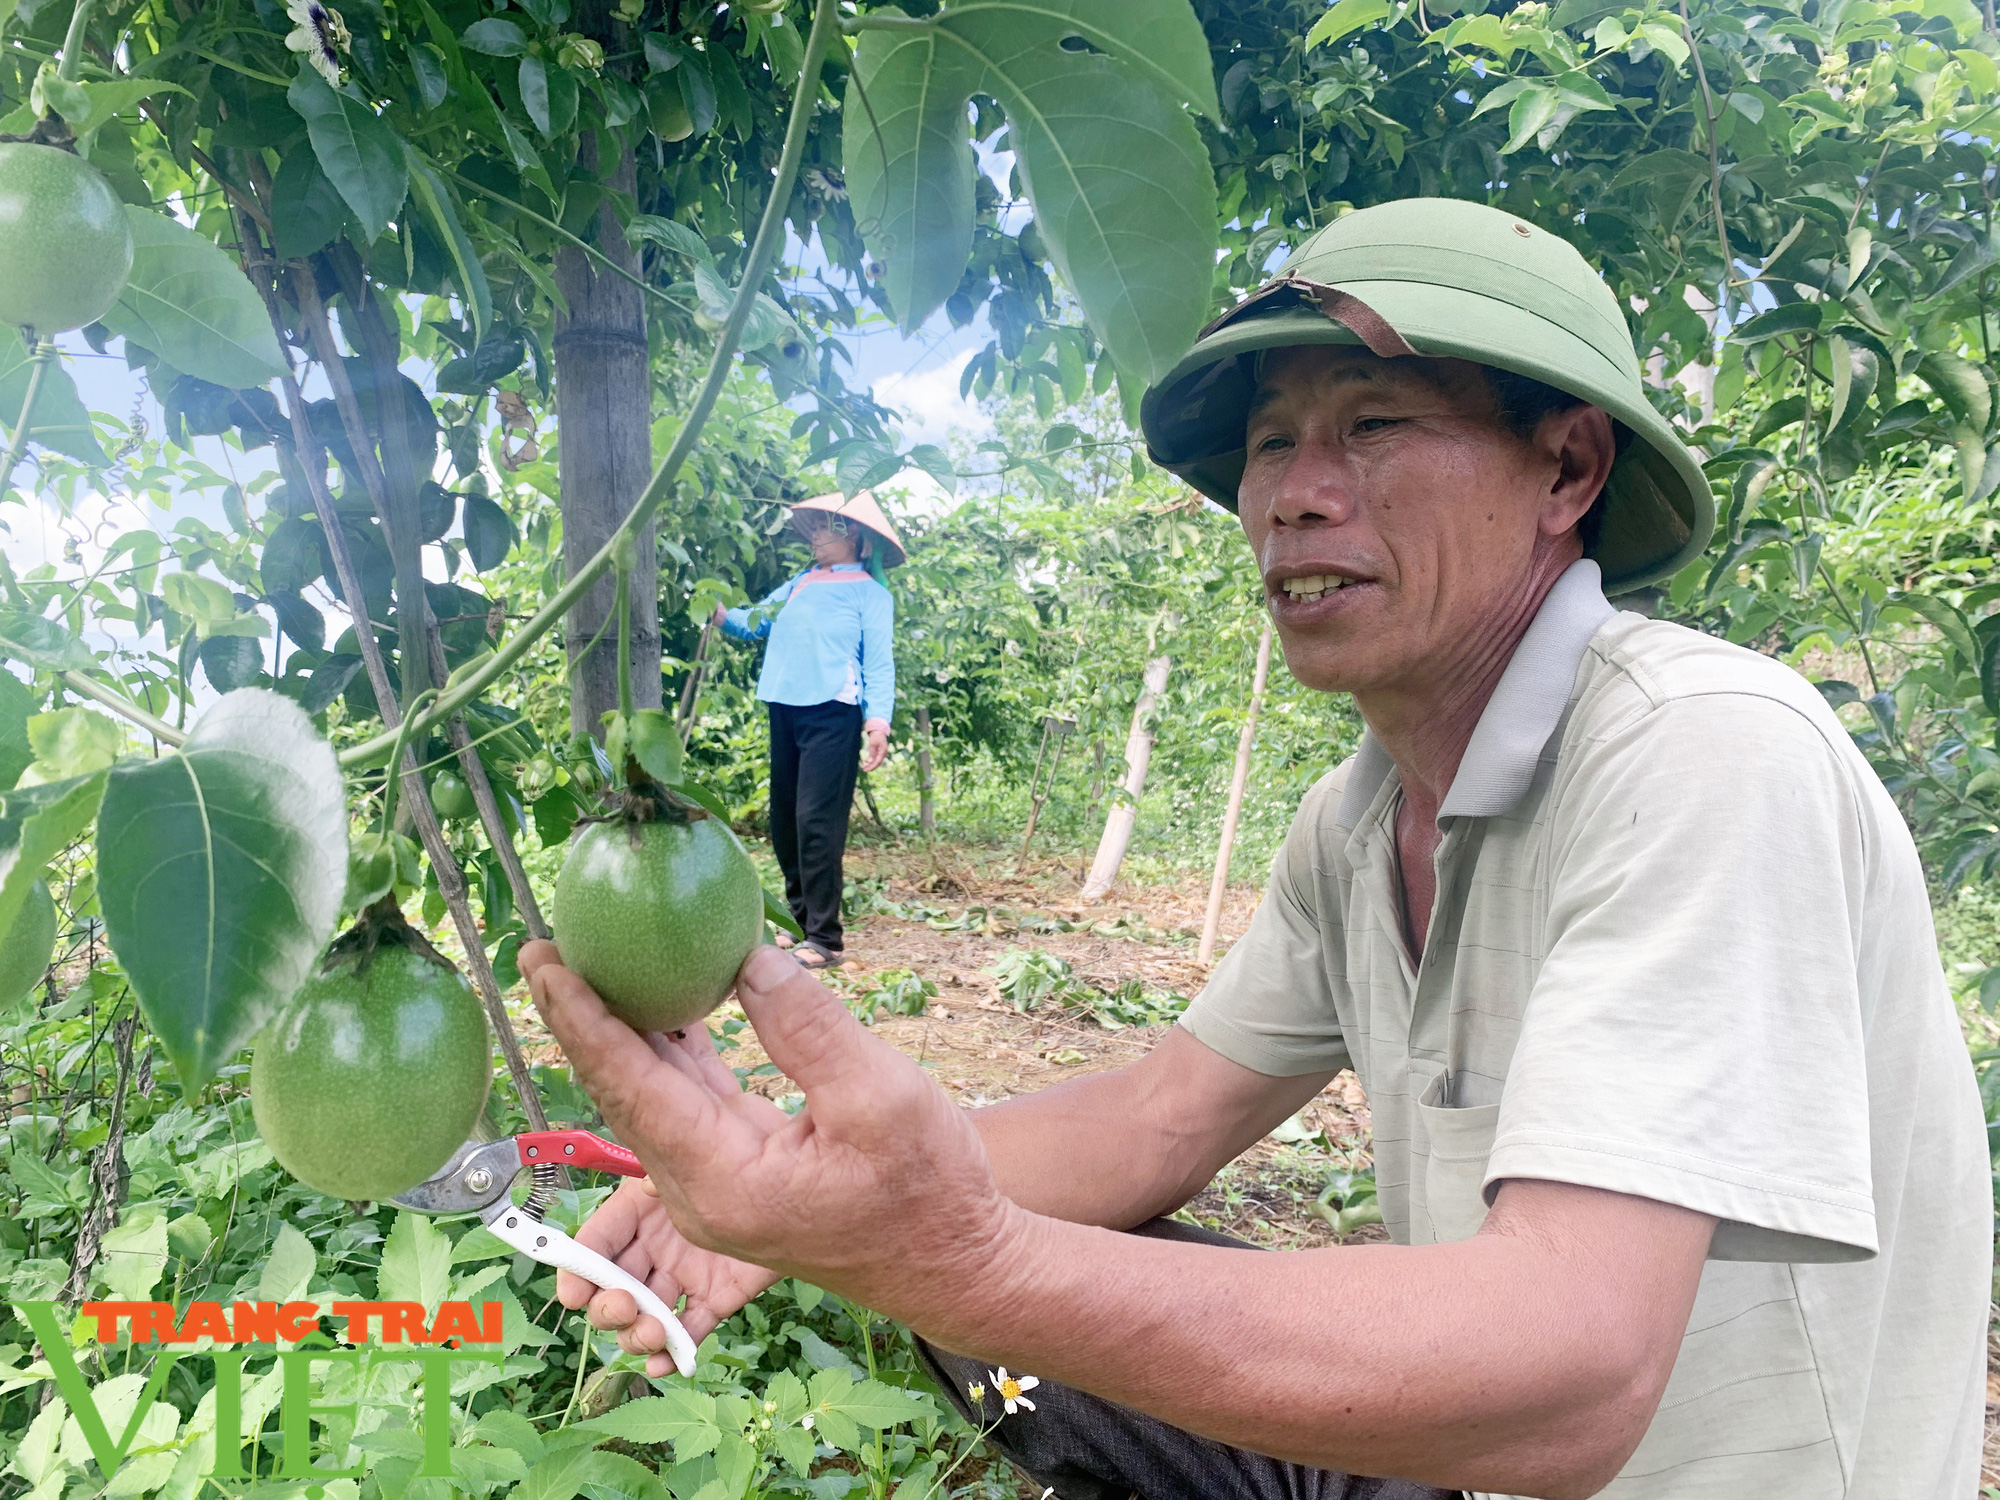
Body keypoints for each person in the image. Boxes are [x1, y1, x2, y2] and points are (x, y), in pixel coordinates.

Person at [522, 199, 1991, 1499]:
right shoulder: (1358, 816)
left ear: (1567, 469)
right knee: (991, 1318)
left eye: (1373, 425)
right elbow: (1162, 1116)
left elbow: (1581, 1378)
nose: (1293, 491)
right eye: (1272, 443)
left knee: (994, 1288)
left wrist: (957, 1253)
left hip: (1636, 1458)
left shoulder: (1701, 750)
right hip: (1451, 1451)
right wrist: (800, 1204)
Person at [716, 492, 902, 969]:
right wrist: (715, 611)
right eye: (815, 526)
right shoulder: (799, 584)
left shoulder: (870, 593)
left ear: (855, 538)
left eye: (828, 527)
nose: (816, 535)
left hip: (833, 710)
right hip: (785, 704)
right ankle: (800, 924)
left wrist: (877, 721)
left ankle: (825, 937)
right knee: (784, 822)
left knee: (816, 822)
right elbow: (752, 623)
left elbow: (880, 661)